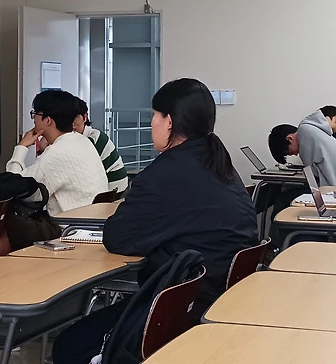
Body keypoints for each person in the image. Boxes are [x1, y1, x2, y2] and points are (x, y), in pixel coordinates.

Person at [53, 78, 257, 364]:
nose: (151, 123)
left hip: (181, 308)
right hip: (217, 298)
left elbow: (117, 238)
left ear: (169, 122)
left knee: (71, 345)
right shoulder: (220, 164)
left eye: (154, 116)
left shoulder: (167, 172)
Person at [6, 90, 107, 215]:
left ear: (48, 120)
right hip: (93, 221)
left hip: (72, 225)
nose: (33, 119)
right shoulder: (83, 141)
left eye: (35, 114)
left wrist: (21, 147)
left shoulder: (57, 152)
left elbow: (15, 188)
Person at [268, 109, 336, 186]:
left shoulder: (304, 134)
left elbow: (311, 175)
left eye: (290, 152)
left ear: (290, 138)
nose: (295, 154)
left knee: (283, 193)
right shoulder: (309, 128)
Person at [72, 98, 129, 196]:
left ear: (85, 117)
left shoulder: (93, 139)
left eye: (74, 119)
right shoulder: (86, 137)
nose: (71, 125)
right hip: (112, 190)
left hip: (114, 193)